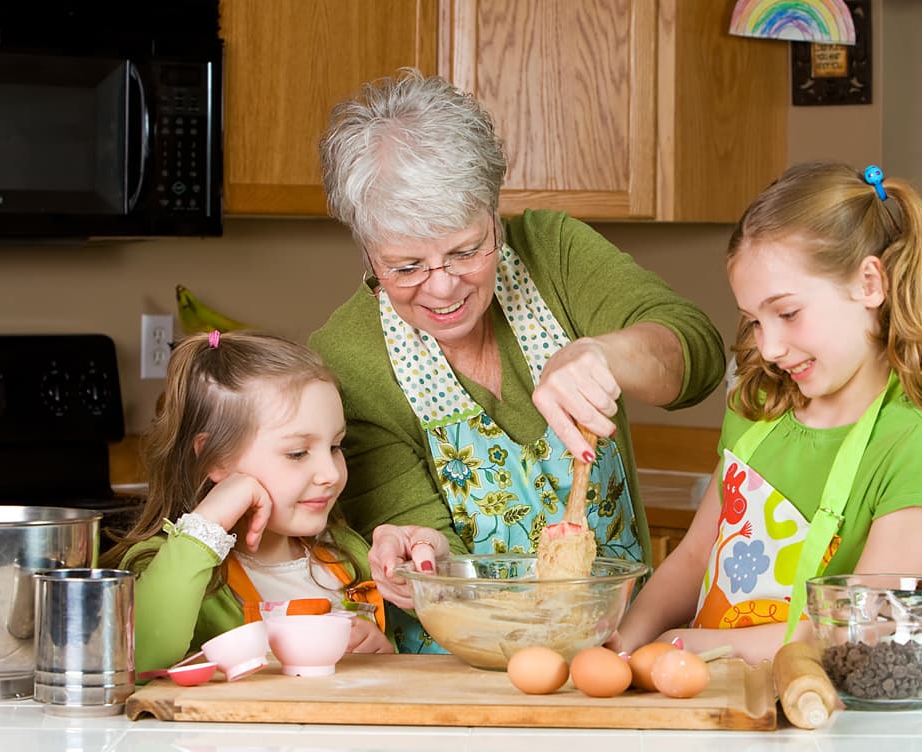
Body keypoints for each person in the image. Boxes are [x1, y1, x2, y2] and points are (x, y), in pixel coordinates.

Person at [309, 68, 726, 652]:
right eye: (406, 267)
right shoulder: (349, 357)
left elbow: (697, 356)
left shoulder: (553, 254)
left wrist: (605, 353)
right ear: (366, 250)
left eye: (466, 250)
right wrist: (420, 549)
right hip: (455, 656)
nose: (442, 288)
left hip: (615, 640)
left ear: (493, 213)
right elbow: (426, 535)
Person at [611, 161, 922, 665]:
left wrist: (687, 646)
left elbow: (859, 633)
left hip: (804, 716)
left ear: (869, 284)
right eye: (755, 321)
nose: (770, 347)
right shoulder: (760, 410)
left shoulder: (917, 447)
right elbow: (693, 557)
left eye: (787, 313)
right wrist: (626, 640)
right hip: (701, 695)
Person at [101, 330, 448, 674]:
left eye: (335, 446)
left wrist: (381, 656)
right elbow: (139, 659)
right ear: (213, 458)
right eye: (297, 453)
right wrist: (206, 523)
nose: (330, 472)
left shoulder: (347, 555)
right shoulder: (161, 563)